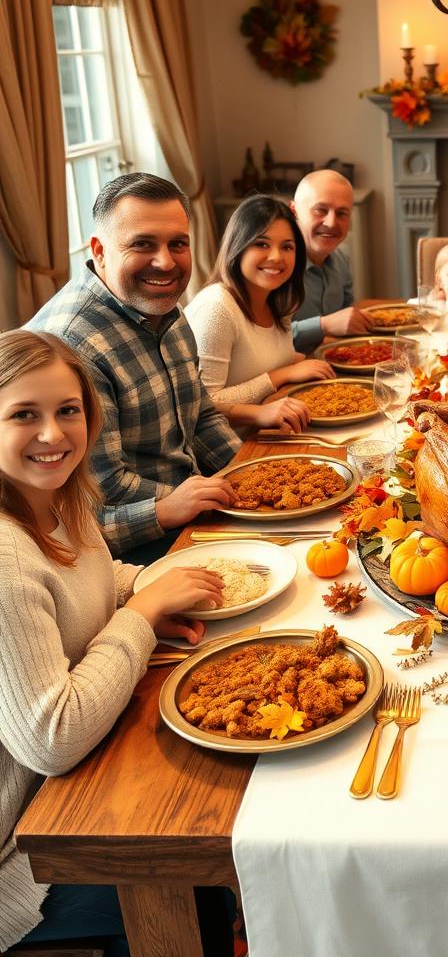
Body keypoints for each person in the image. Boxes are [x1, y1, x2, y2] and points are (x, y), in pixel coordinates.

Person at [0, 330, 234, 956]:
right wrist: (142, 615)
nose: (53, 434)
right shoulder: (4, 555)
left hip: (65, 793)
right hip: (20, 846)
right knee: (195, 876)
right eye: (24, 414)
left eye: (67, 410)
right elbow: (52, 737)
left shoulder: (54, 499)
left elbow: (95, 582)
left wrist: (152, 586)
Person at [27, 172, 239, 562]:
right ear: (100, 250)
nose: (165, 261)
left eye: (178, 244)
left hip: (193, 505)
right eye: (143, 244)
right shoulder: (72, 345)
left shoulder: (160, 305)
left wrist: (250, 474)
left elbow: (202, 415)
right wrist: (210, 495)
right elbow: (104, 491)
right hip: (137, 544)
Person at [186, 195, 334, 431]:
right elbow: (201, 405)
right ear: (238, 246)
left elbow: (266, 357)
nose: (276, 256)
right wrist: (281, 375)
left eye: (287, 247)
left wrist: (308, 363)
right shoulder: (216, 308)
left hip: (278, 430)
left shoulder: (277, 299)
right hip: (232, 447)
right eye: (261, 244)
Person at [289, 169, 369, 351]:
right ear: (294, 211)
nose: (332, 223)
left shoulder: (342, 259)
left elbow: (346, 326)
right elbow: (264, 341)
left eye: (342, 213)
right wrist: (323, 325)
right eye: (320, 210)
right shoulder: (276, 267)